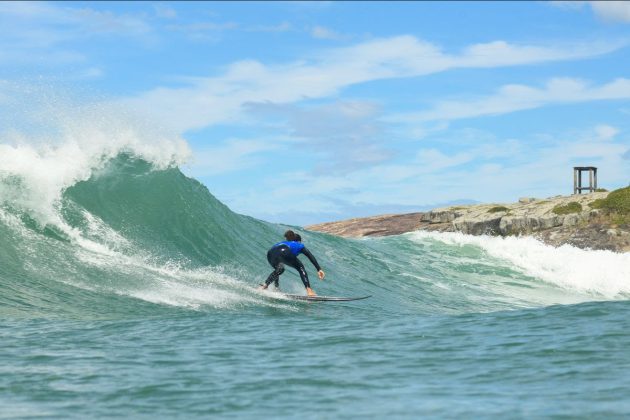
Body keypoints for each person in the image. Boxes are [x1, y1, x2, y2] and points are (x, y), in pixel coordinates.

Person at [260, 230, 325, 296]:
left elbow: (277, 272)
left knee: (279, 270)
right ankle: (309, 291)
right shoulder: (299, 245)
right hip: (284, 251)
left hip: (270, 254)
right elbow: (310, 255)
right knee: (301, 268)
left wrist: (276, 286)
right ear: (299, 241)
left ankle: (266, 286)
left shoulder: (283, 242)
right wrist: (319, 269)